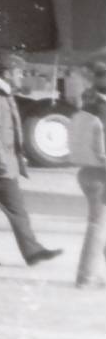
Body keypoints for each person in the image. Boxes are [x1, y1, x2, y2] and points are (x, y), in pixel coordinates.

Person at [0, 54, 60, 268]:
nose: (21, 76)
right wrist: (0, 162)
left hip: (3, 166)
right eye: (19, 72)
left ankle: (32, 252)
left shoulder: (2, 93)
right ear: (6, 74)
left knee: (18, 211)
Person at [69, 59, 106, 289]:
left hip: (85, 172)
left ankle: (86, 275)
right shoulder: (103, 110)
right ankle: (86, 277)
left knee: (96, 223)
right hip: (102, 172)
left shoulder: (87, 103)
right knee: (97, 224)